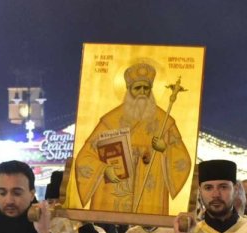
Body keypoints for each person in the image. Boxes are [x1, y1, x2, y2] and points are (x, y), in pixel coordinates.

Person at [72, 62, 192, 214]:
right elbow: (85, 156)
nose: (142, 92)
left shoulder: (164, 122)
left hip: (150, 197)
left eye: (146, 88)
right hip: (114, 196)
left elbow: (183, 161)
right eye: (137, 88)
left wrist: (165, 150)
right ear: (128, 90)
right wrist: (104, 170)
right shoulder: (110, 121)